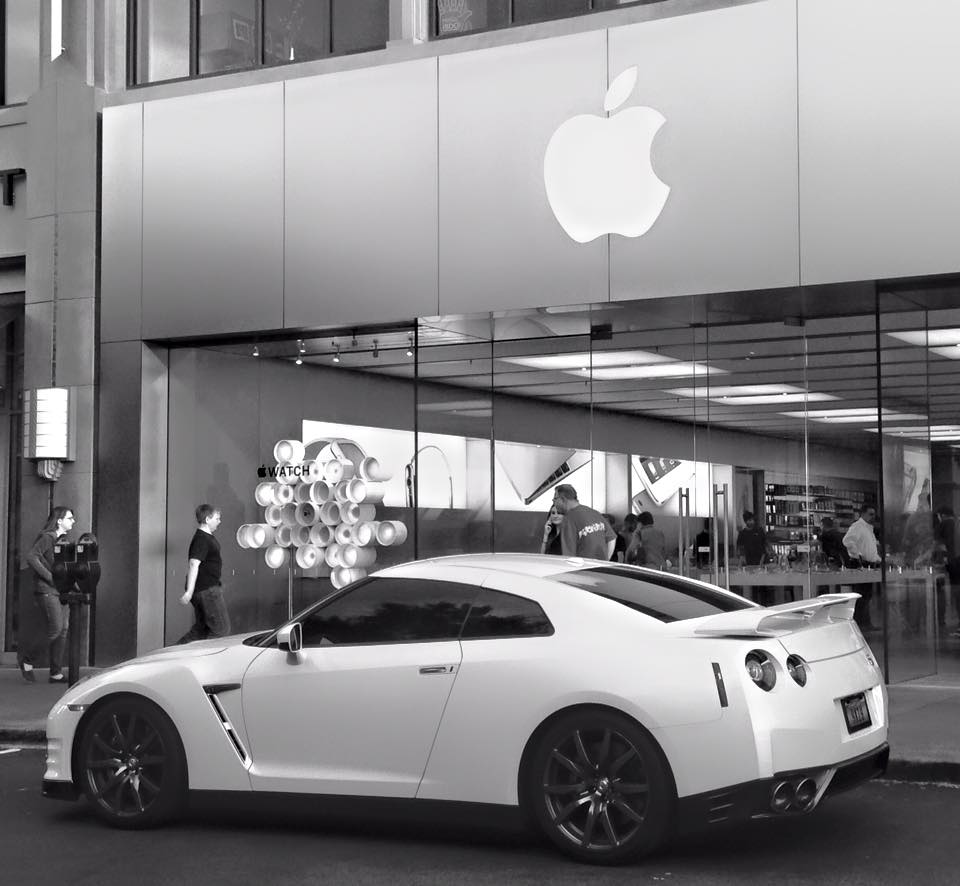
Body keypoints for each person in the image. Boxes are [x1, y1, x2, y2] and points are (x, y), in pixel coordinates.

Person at [19, 506, 76, 683]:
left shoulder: (64, 541)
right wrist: (51, 578)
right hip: (47, 590)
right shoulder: (48, 537)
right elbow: (31, 557)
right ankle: (27, 660)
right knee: (56, 629)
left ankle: (55, 673)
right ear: (59, 521)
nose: (73, 521)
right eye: (69, 518)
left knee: (63, 630)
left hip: (62, 591)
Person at [178, 504, 231, 643]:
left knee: (201, 631)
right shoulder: (202, 539)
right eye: (217, 519)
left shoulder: (205, 537)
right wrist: (189, 592)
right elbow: (193, 564)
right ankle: (205, 654)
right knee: (221, 630)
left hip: (206, 589)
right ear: (207, 519)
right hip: (207, 590)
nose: (219, 521)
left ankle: (174, 652)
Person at [552, 484, 616, 560]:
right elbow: (612, 538)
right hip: (600, 566)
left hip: (583, 567)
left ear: (563, 499)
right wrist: (606, 560)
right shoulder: (594, 513)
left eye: (555, 499)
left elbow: (569, 557)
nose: (553, 502)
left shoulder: (569, 519)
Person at [843, 504, 881, 630]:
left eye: (873, 514)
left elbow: (869, 549)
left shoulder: (868, 528)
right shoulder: (858, 526)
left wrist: (877, 559)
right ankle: (860, 624)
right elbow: (847, 540)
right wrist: (857, 555)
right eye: (870, 514)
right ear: (863, 514)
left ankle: (865, 623)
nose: (872, 517)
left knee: (866, 596)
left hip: (869, 564)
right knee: (861, 597)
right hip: (862, 565)